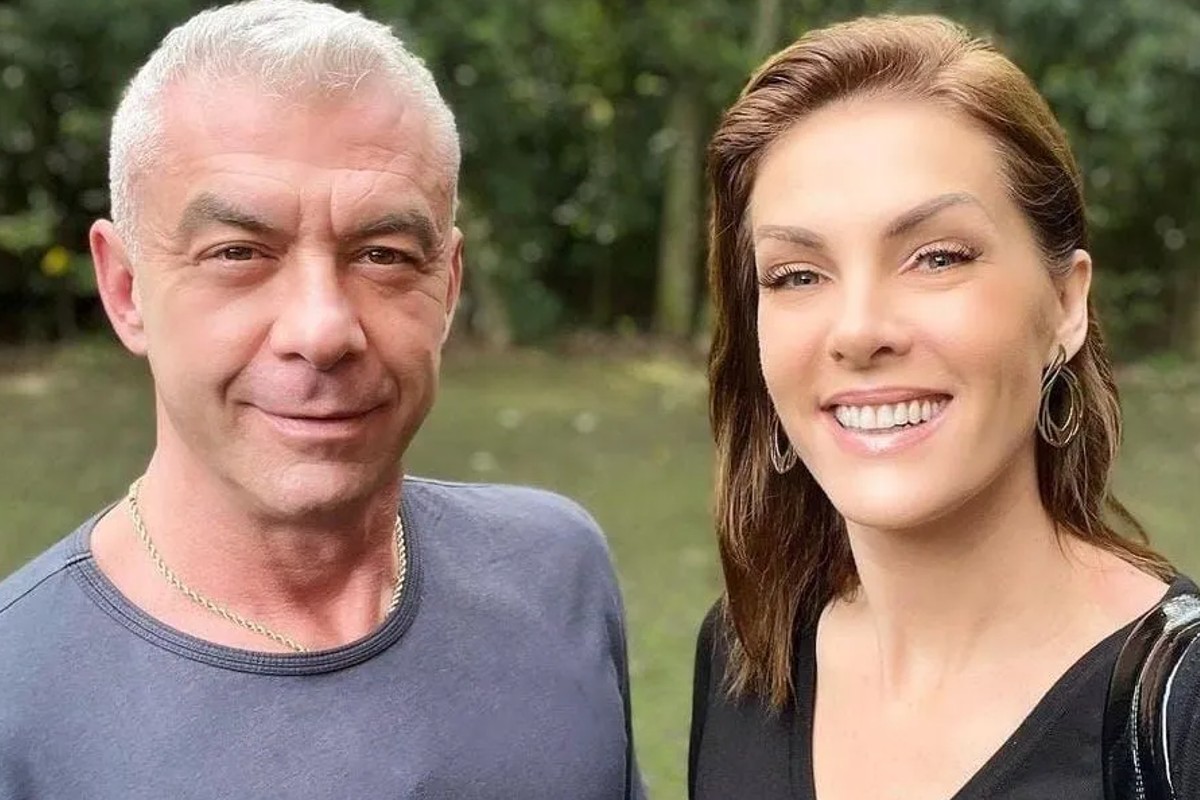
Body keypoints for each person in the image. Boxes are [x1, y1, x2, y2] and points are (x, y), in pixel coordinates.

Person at [0, 2, 643, 798]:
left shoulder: (555, 575)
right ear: (126, 289)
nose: (323, 329)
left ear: (447, 287)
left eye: (383, 255)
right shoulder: (19, 699)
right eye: (238, 252)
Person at [689, 14, 1199, 800]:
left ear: (1065, 304)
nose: (858, 331)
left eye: (936, 258)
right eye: (797, 275)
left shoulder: (1183, 715)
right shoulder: (745, 659)